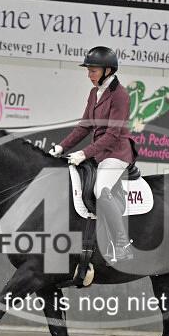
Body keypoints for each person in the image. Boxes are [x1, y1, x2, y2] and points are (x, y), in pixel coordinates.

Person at [48, 46, 136, 263]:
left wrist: (84, 153)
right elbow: (85, 126)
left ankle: (122, 244)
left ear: (108, 70)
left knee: (101, 190)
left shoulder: (120, 95)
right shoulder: (94, 92)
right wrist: (61, 148)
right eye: (88, 70)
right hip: (100, 153)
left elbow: (113, 135)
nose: (89, 75)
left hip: (117, 152)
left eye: (93, 71)